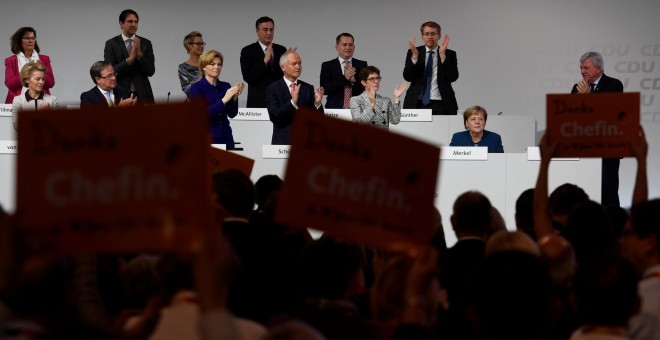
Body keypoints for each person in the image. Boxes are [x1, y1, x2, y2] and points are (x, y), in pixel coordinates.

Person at [571, 51, 623, 208]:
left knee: (608, 192)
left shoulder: (614, 85)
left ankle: (614, 224)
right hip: (584, 149)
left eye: (586, 68)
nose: (582, 71)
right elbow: (571, 117)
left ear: (599, 68)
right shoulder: (577, 88)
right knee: (586, 192)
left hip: (607, 150)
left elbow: (609, 115)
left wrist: (587, 98)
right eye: (581, 67)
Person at [265, 51, 324, 145]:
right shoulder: (273, 89)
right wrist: (292, 103)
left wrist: (317, 103)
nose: (298, 67)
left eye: (299, 63)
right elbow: (274, 116)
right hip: (282, 143)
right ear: (283, 67)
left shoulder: (307, 88)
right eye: (294, 64)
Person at [190, 50, 243, 149]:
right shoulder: (196, 87)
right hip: (208, 137)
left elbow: (232, 114)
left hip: (227, 137)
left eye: (219, 64)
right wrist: (224, 100)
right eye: (212, 64)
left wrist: (235, 97)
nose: (216, 67)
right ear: (204, 67)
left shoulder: (225, 86)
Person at [403, 21, 458, 115]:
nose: (429, 36)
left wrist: (442, 55)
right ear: (422, 37)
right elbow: (408, 77)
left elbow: (453, 77)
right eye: (426, 34)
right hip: (416, 102)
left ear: (439, 36)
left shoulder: (449, 54)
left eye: (433, 33)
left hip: (441, 103)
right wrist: (415, 57)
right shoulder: (414, 52)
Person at [104, 9, 155, 104]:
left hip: (143, 94)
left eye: (136, 22)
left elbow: (151, 71)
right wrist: (129, 60)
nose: (134, 24)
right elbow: (110, 70)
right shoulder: (111, 44)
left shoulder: (145, 43)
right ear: (121, 23)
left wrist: (140, 56)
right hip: (120, 93)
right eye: (130, 21)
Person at [240, 16, 288, 108]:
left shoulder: (281, 49)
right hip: (258, 103)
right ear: (257, 31)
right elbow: (248, 77)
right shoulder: (248, 51)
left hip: (280, 101)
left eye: (271, 30)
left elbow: (285, 76)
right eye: (265, 30)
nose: (269, 33)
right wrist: (265, 61)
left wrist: (291, 63)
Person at [5, 27, 55, 104]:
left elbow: (51, 83)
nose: (30, 41)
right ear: (19, 41)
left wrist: (42, 70)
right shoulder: (11, 60)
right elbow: (10, 84)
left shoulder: (44, 59)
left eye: (33, 38)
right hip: (17, 103)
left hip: (41, 102)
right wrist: (26, 69)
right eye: (27, 38)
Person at [350, 66, 408, 130]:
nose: (376, 81)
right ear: (364, 82)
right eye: (372, 79)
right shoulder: (356, 100)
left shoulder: (385, 100)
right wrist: (371, 106)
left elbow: (395, 120)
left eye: (377, 78)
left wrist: (397, 98)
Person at [320, 33, 368, 109]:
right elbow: (325, 90)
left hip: (358, 110)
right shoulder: (327, 65)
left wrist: (353, 81)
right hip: (334, 111)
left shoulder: (362, 65)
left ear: (354, 47)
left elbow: (366, 90)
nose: (348, 47)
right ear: (337, 47)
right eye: (344, 45)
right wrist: (345, 78)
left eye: (350, 45)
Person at [11, 62, 58, 130]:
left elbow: (57, 126)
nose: (41, 82)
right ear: (27, 79)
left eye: (43, 79)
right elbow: (18, 126)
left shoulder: (52, 100)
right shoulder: (18, 100)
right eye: (37, 79)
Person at [178, 31, 205, 99]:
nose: (201, 46)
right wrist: (201, 79)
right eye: (198, 43)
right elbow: (187, 91)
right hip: (194, 105)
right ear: (189, 46)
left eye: (202, 43)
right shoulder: (183, 68)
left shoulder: (207, 64)